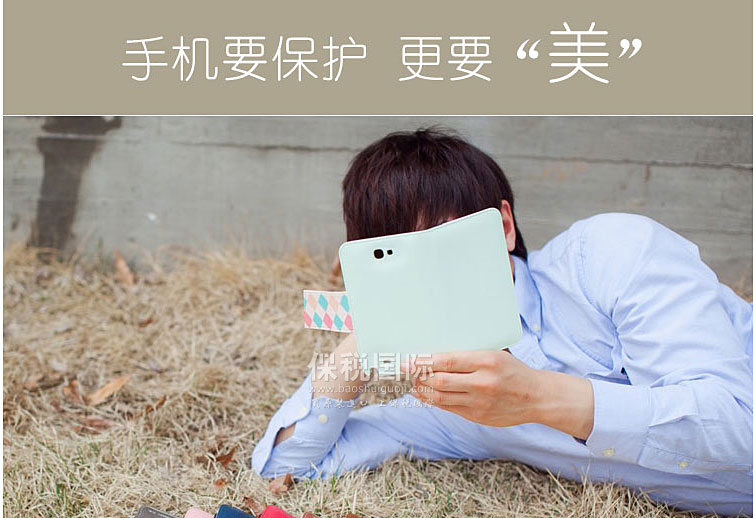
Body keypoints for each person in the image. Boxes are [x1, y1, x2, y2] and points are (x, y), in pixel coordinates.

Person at [251, 129, 753, 516]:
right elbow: (288, 465)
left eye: (441, 243)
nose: (424, 276)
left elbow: (739, 425)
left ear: (504, 226)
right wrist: (367, 338)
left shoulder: (610, 255)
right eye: (391, 258)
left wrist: (537, 397)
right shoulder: (457, 401)